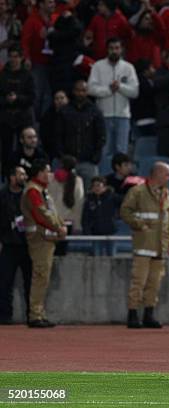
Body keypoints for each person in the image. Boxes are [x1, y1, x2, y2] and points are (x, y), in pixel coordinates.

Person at [120, 162, 169, 329]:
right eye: (167, 174)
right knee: (139, 282)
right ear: (157, 174)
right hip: (144, 244)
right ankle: (133, 314)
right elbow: (125, 211)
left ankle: (149, 314)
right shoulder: (137, 192)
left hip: (160, 246)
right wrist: (140, 224)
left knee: (154, 283)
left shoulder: (166, 194)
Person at [20, 159, 67, 328]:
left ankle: (39, 312)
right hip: (39, 238)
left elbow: (50, 211)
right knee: (40, 275)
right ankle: (35, 314)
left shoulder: (41, 190)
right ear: (39, 172)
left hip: (46, 237)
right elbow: (41, 214)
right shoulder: (33, 190)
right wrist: (58, 227)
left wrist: (60, 224)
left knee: (43, 276)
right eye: (47, 171)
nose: (50, 174)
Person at [88, 37, 139, 156]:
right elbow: (91, 89)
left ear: (121, 50)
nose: (114, 51)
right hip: (103, 115)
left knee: (121, 152)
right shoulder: (98, 66)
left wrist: (120, 87)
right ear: (107, 50)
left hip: (123, 116)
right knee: (104, 151)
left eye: (117, 48)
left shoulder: (128, 67)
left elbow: (135, 91)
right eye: (111, 48)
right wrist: (109, 90)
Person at [56, 80, 106, 189]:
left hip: (89, 161)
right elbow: (58, 135)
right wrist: (62, 156)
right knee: (66, 194)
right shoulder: (64, 111)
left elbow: (101, 136)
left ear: (87, 92)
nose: (80, 94)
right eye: (78, 91)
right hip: (68, 162)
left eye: (83, 91)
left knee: (90, 194)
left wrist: (95, 156)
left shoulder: (95, 111)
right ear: (73, 91)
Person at [0, 166, 31, 324]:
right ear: (12, 177)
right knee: (4, 283)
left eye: (25, 174)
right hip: (9, 244)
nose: (24, 177)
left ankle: (32, 315)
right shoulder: (2, 195)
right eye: (20, 174)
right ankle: (4, 316)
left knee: (30, 283)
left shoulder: (30, 194)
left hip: (28, 244)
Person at [0, 45, 34, 179]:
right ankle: (6, 175)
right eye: (11, 56)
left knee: (24, 148)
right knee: (5, 149)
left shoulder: (27, 76)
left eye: (16, 56)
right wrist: (6, 100)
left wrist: (17, 98)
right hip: (6, 117)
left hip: (23, 117)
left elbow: (32, 97)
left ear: (21, 58)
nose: (13, 59)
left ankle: (25, 174)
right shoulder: (2, 75)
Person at [48, 155, 84, 255]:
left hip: (51, 219)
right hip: (67, 222)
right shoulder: (78, 181)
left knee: (48, 251)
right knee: (61, 252)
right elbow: (78, 204)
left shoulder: (50, 178)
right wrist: (77, 225)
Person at [82, 176, 118, 256]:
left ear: (104, 186)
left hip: (110, 232)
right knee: (96, 258)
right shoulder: (89, 200)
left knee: (112, 257)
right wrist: (86, 230)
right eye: (94, 186)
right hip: (96, 233)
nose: (96, 188)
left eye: (98, 185)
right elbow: (85, 217)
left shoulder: (112, 197)